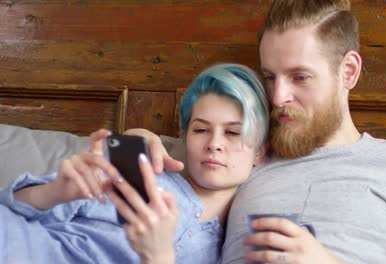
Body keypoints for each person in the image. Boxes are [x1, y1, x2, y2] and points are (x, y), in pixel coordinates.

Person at [127, 0, 386, 263]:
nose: (277, 98)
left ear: (347, 71)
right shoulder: (247, 155)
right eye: (270, 77)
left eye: (300, 77)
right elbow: (168, 189)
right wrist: (135, 142)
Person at [0, 63, 269, 264]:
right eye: (200, 130)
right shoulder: (142, 170)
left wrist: (158, 256)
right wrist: (54, 191)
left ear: (259, 152)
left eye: (233, 132)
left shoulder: (229, 249)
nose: (214, 143)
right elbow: (10, 206)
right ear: (185, 136)